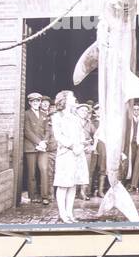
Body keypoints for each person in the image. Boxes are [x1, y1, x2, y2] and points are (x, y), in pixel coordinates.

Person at [50, 90, 89, 224]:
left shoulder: (75, 117)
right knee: (63, 185)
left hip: (78, 154)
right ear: (64, 99)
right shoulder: (57, 116)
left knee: (73, 184)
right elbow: (58, 136)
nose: (75, 98)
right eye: (72, 97)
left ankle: (69, 213)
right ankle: (62, 214)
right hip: (66, 154)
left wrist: (83, 144)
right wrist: (73, 146)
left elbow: (81, 135)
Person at [22, 92, 50, 204]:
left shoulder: (44, 115)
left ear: (40, 102)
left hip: (42, 147)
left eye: (37, 101)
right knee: (32, 172)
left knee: (44, 170)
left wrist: (44, 142)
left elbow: (47, 130)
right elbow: (27, 131)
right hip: (31, 147)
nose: (35, 103)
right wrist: (38, 142)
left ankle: (45, 196)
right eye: (33, 101)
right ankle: (33, 195)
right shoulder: (26, 114)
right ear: (29, 103)